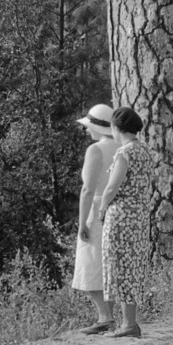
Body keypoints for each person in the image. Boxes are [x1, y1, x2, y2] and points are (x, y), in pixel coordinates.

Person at [93, 106, 155, 339]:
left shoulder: (124, 153)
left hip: (121, 215)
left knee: (119, 266)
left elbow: (112, 186)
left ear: (116, 128)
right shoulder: (146, 150)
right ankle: (130, 321)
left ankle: (128, 324)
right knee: (133, 265)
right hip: (139, 214)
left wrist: (102, 208)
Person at [71, 104, 117, 332]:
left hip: (97, 208)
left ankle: (104, 316)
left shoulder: (95, 150)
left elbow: (87, 189)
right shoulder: (122, 146)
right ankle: (108, 316)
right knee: (108, 264)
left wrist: (82, 222)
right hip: (118, 208)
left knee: (90, 263)